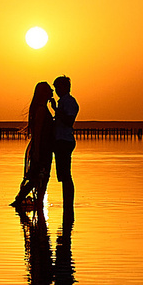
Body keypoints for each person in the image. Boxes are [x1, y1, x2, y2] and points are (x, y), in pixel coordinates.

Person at [10, 80, 56, 209]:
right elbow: (37, 131)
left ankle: (30, 203)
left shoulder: (44, 108)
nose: (52, 92)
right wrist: (36, 151)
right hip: (41, 149)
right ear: (43, 93)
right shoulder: (41, 110)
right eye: (49, 90)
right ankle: (22, 202)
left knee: (38, 177)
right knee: (38, 177)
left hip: (44, 148)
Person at [49, 74, 80, 214]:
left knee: (66, 175)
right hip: (61, 141)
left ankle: (68, 204)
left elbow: (69, 121)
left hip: (65, 141)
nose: (56, 91)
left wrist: (56, 110)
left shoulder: (69, 102)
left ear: (65, 87)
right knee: (63, 175)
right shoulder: (63, 102)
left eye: (57, 88)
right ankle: (67, 204)